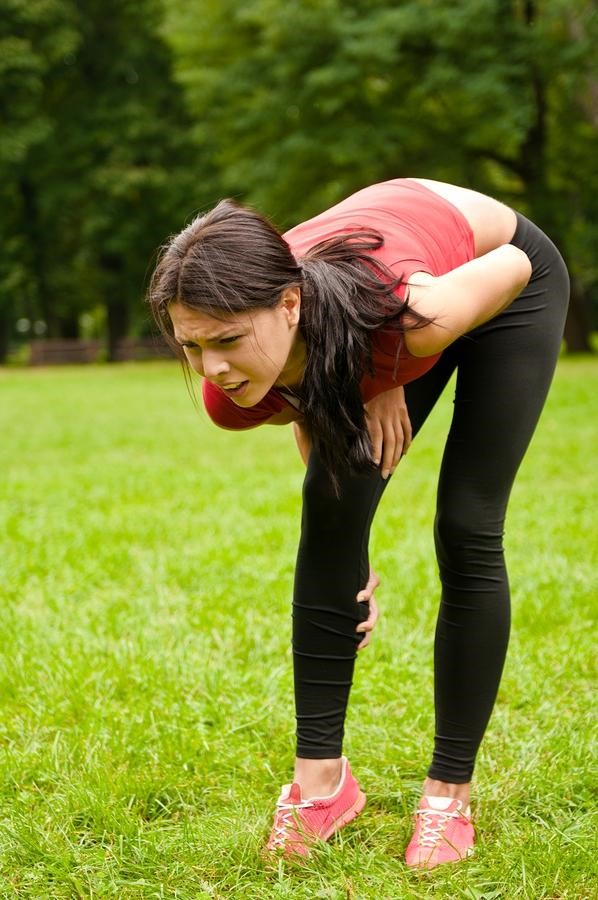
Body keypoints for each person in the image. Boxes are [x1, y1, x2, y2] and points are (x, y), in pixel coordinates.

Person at [147, 178, 569, 868]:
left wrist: (387, 369)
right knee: (328, 510)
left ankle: (448, 795)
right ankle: (322, 787)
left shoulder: (413, 315)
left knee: (466, 523)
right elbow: (317, 427)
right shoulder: (236, 387)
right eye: (191, 346)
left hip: (494, 280)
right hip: (383, 319)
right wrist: (353, 557)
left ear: (289, 305)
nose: (213, 369)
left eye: (226, 340)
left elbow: (514, 266)